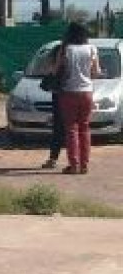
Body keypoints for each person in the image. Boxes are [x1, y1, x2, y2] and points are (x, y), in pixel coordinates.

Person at [55, 22, 101, 175]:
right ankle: (84, 164)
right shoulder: (91, 49)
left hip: (69, 91)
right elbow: (95, 72)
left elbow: (56, 70)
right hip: (87, 91)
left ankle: (73, 164)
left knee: (71, 129)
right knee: (85, 128)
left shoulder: (66, 49)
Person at [41, 43, 67, 170]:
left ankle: (53, 159)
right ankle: (77, 161)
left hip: (60, 97)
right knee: (70, 130)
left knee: (59, 130)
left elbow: (51, 76)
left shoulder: (61, 60)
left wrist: (55, 65)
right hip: (68, 96)